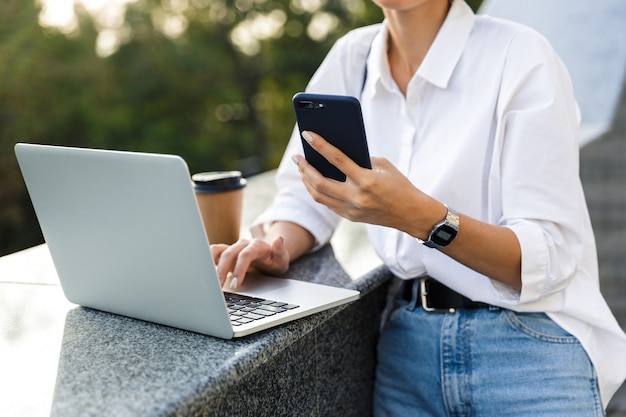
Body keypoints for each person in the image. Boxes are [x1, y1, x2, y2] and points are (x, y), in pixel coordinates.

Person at [210, 0, 626, 415]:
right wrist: (276, 245)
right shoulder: (352, 58)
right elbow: (305, 193)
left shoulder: (519, 54)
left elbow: (547, 257)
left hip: (528, 353)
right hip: (408, 349)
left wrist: (417, 216)